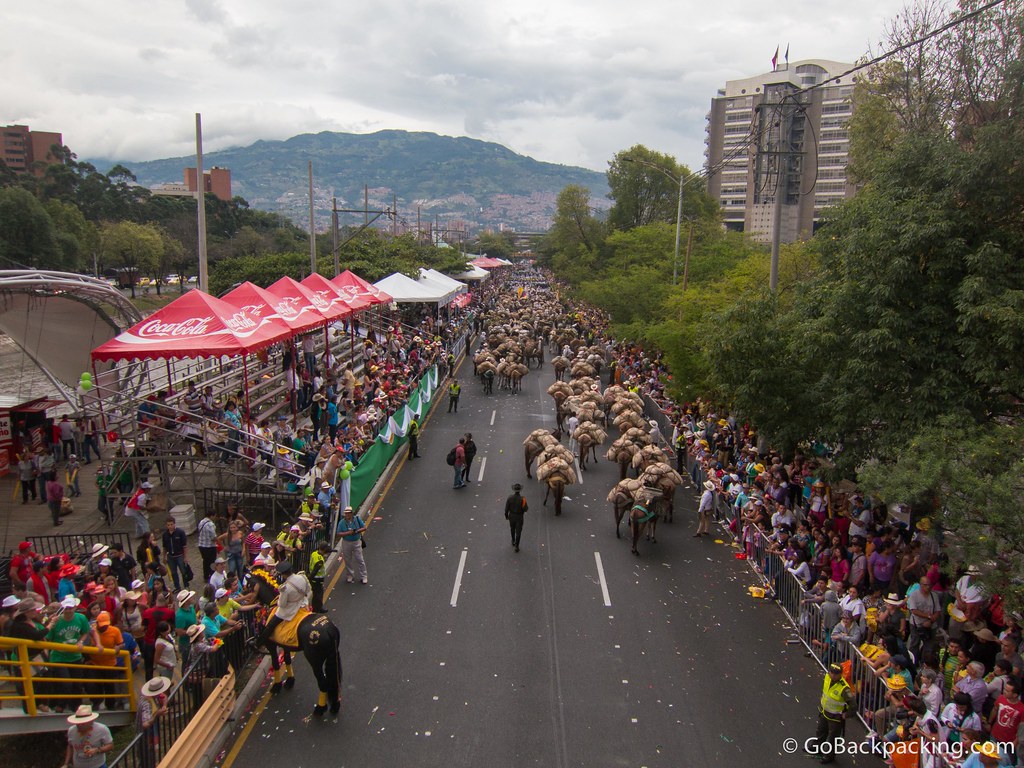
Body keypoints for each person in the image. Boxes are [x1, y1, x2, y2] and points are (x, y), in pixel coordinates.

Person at [254, 561, 312, 653]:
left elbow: (282, 604)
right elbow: (309, 590)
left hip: (290, 610)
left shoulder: (285, 588)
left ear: (283, 575)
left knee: (271, 625)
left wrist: (281, 595)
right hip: (303, 604)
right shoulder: (302, 577)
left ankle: (259, 643)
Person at [812, 662, 856, 764]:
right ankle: (816, 748)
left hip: (835, 717)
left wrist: (846, 715)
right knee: (821, 731)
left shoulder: (844, 688)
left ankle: (829, 756)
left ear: (840, 674)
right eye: (831, 672)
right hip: (824, 711)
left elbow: (853, 705)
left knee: (832, 738)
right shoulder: (827, 677)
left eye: (835, 673)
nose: (832, 675)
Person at [337, 506, 368, 585]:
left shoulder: (357, 519)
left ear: (351, 513)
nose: (347, 515)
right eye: (346, 513)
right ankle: (350, 575)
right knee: (347, 560)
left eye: (348, 513)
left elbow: (364, 527)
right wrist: (348, 533)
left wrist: (357, 531)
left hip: (356, 542)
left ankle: (363, 576)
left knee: (360, 559)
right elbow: (339, 533)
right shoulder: (342, 522)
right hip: (346, 542)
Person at [161, 518, 189, 592]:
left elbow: (184, 546)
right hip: (170, 556)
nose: (170, 526)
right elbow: (164, 547)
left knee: (183, 571)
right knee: (173, 573)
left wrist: (185, 557)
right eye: (168, 525)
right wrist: (163, 557)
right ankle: (177, 587)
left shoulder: (180, 532)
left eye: (171, 524)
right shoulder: (165, 535)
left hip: (180, 555)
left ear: (174, 524)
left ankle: (186, 585)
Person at [309, 541, 331, 612]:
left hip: (314, 579)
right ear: (324, 549)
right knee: (318, 595)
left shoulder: (314, 553)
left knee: (315, 594)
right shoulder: (320, 561)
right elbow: (315, 571)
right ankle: (318, 608)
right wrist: (309, 579)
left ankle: (315, 607)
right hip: (317, 580)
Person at [504, 483, 528, 553]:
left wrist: (506, 516)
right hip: (519, 517)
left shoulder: (510, 498)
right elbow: (525, 509)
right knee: (518, 531)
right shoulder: (523, 499)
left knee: (512, 528)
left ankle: (513, 540)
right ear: (520, 490)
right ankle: (517, 546)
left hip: (511, 516)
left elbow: (506, 509)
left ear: (514, 490)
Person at [196, 512, 218, 582]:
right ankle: (212, 576)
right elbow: (214, 537)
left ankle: (206, 576)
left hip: (201, 545)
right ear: (211, 516)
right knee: (212, 562)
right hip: (210, 546)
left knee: (205, 561)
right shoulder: (211, 524)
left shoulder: (201, 522)